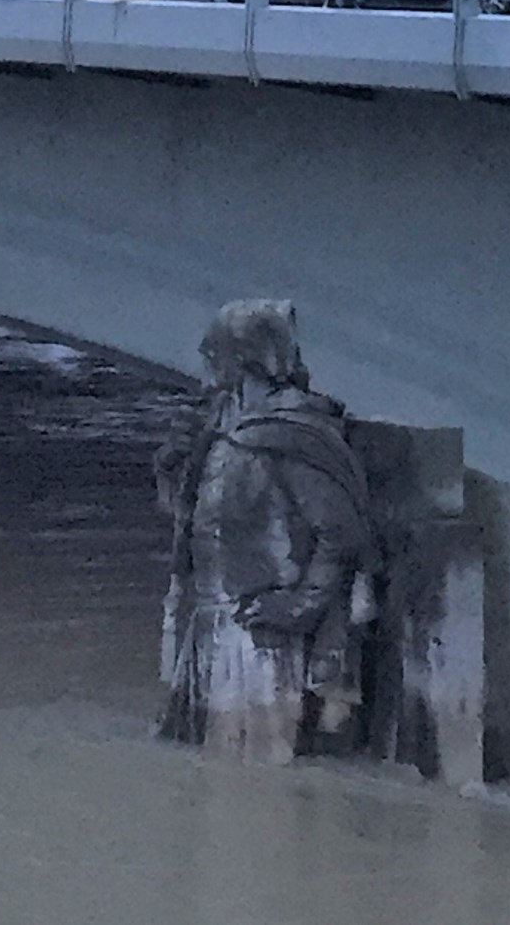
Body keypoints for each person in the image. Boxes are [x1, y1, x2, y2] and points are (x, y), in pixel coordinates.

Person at [156, 300, 375, 763]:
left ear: (244, 359)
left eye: (214, 357)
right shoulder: (217, 427)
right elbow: (195, 519)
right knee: (206, 774)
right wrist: (174, 466)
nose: (205, 369)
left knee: (255, 783)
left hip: (262, 640)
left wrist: (298, 606)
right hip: (209, 621)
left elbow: (341, 535)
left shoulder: (294, 433)